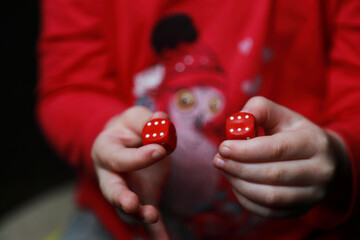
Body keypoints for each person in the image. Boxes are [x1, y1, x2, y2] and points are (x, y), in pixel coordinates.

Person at [37, 0, 360, 239]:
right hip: (121, 226)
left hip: (305, 227)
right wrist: (106, 130)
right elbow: (69, 84)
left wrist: (340, 152)